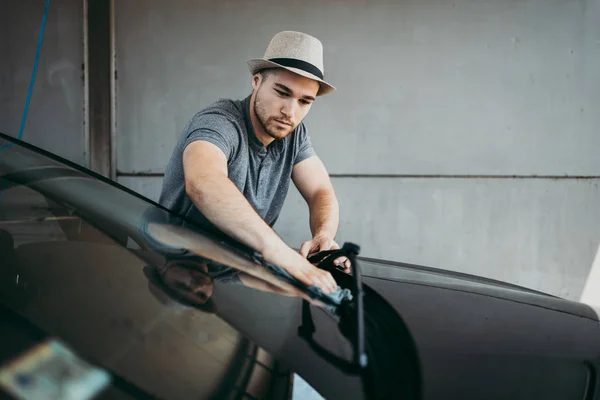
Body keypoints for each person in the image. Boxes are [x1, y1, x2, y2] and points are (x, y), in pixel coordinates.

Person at [158, 31, 347, 294]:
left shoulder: (295, 134)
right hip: (178, 268)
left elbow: (319, 191)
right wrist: (277, 250)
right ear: (256, 81)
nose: (290, 112)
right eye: (282, 92)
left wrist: (324, 235)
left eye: (305, 101)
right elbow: (203, 181)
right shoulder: (220, 121)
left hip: (236, 272)